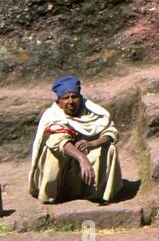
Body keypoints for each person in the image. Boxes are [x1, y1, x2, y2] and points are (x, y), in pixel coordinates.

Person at [28, 76, 123, 204]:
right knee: (51, 150)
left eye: (74, 97)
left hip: (87, 170)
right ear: (59, 101)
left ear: (80, 98)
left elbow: (111, 132)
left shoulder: (91, 112)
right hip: (63, 173)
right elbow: (59, 141)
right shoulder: (53, 116)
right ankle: (53, 194)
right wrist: (81, 158)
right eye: (66, 98)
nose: (71, 101)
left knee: (110, 149)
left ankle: (99, 193)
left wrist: (92, 143)